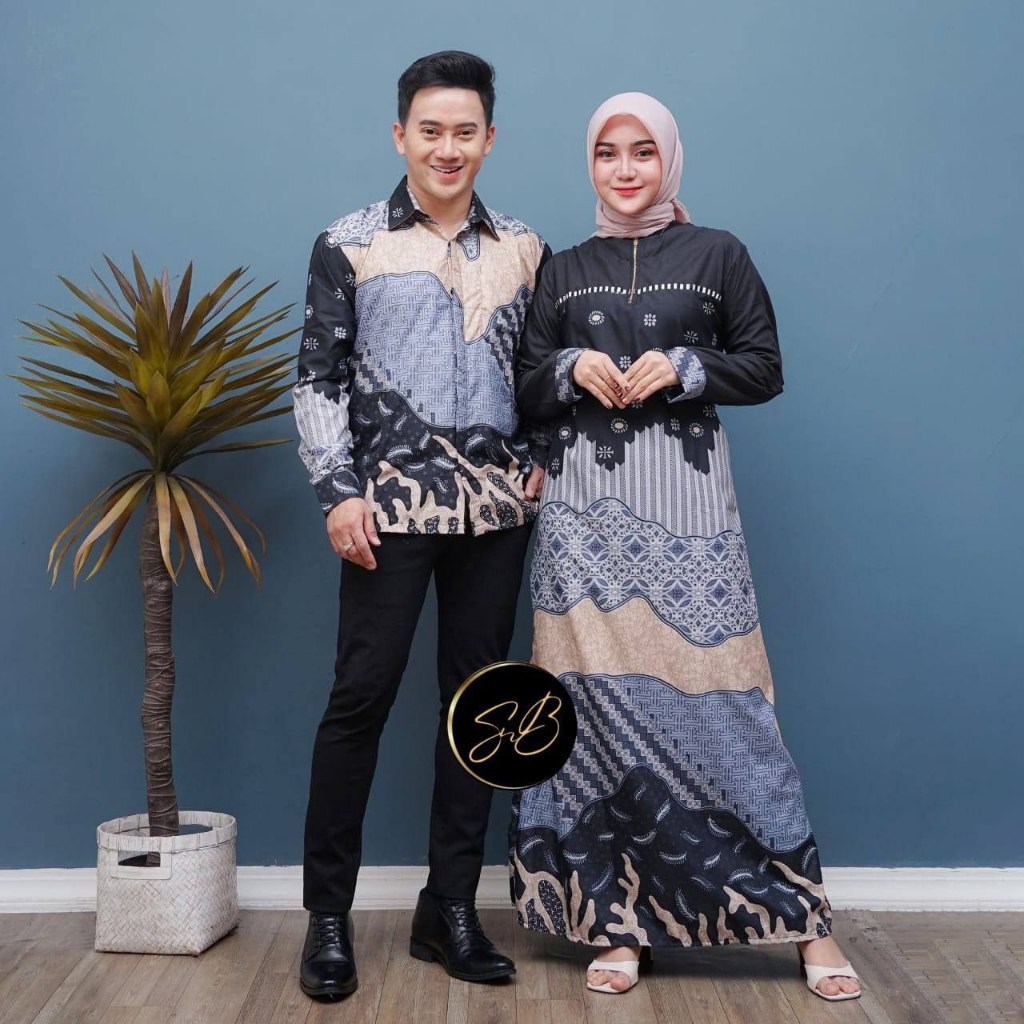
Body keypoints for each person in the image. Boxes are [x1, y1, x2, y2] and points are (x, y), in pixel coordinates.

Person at [509, 92, 861, 1002]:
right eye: (607, 153)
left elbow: (766, 366)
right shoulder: (563, 268)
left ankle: (803, 922)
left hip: (692, 514)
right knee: (589, 712)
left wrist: (687, 366)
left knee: (731, 702)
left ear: (669, 159)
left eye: (643, 152)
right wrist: (568, 368)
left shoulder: (718, 254)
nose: (625, 170)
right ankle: (616, 923)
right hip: (582, 522)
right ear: (589, 164)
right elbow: (522, 382)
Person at [293, 51, 549, 1001]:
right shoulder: (349, 243)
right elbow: (318, 376)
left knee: (481, 711)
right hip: (386, 512)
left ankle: (450, 910)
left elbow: (541, 370)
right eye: (430, 130)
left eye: (465, 131)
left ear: (490, 139)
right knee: (359, 700)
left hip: (495, 515)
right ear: (400, 135)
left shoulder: (524, 247)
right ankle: (327, 918)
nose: (448, 148)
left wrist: (540, 451)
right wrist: (337, 490)